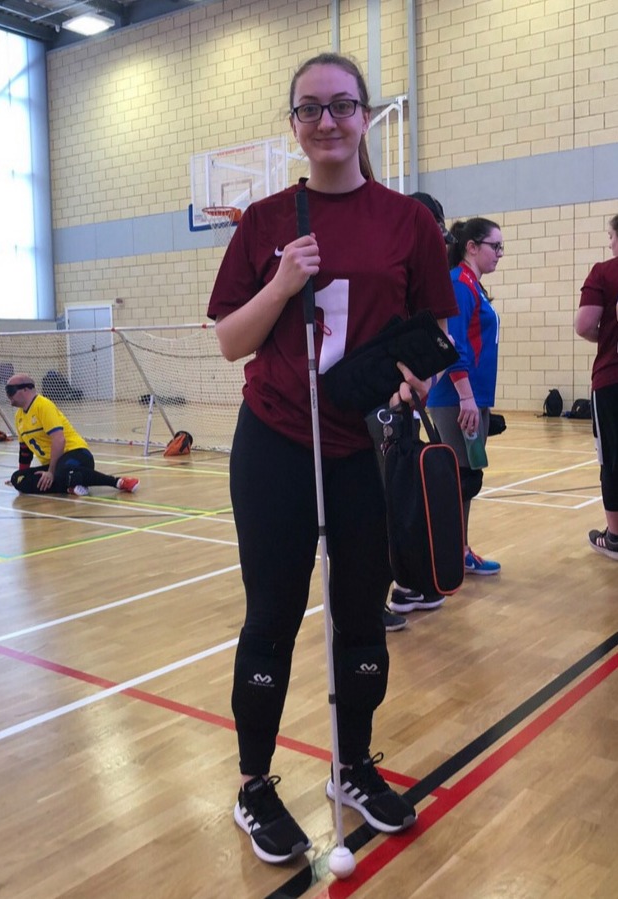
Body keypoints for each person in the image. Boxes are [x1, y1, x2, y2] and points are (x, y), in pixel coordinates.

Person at [207, 52, 458, 865]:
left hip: (358, 447)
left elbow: (433, 331)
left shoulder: (407, 222)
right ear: (293, 124)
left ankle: (351, 766)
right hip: (275, 441)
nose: (325, 122)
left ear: (363, 117)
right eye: (309, 109)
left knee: (359, 616)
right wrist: (280, 284)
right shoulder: (264, 222)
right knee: (272, 619)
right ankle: (253, 783)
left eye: (341, 107)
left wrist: (419, 376)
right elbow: (228, 341)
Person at [386, 191, 457, 624]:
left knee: (407, 499)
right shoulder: (392, 271)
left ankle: (412, 582)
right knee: (382, 503)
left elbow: (440, 337)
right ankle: (375, 596)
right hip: (382, 405)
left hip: (410, 402)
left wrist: (425, 382)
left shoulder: (431, 276)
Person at [425, 216, 504, 575]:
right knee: (459, 480)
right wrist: (466, 397)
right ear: (472, 247)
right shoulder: (459, 283)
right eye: (495, 246)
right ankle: (447, 555)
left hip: (472, 396)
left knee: (467, 478)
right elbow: (451, 343)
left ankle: (458, 550)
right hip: (455, 398)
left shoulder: (472, 284)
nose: (500, 253)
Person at [6, 374, 139, 496]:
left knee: (63, 471)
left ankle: (117, 482)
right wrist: (22, 474)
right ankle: (70, 485)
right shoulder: (19, 416)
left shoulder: (43, 405)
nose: (8, 395)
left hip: (76, 455)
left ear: (25, 389)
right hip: (54, 464)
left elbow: (59, 440)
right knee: (18, 479)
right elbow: (25, 452)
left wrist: (51, 472)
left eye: (11, 391)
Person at [574, 214, 618, 560]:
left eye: (611, 235)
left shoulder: (604, 271)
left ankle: (615, 537)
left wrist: (605, 337)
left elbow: (585, 324)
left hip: (612, 379)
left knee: (613, 459)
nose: (609, 242)